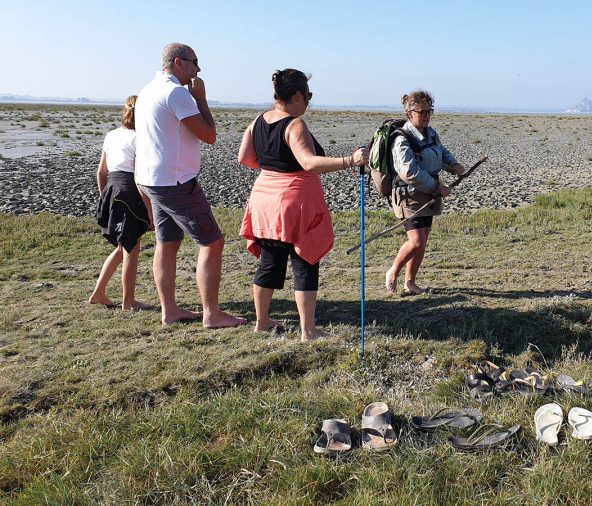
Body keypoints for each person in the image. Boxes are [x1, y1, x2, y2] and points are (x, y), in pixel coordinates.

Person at [238, 69, 367, 340]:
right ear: (297, 95)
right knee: (305, 260)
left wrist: (273, 171)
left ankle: (262, 321)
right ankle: (308, 330)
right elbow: (308, 162)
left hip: (263, 200)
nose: (308, 101)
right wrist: (349, 161)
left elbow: (245, 158)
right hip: (294, 203)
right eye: (308, 96)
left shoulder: (257, 121)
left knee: (270, 262)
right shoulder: (294, 124)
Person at [134, 42, 245, 328]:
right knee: (212, 242)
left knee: (167, 242)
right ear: (179, 62)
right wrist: (201, 99)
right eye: (195, 62)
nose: (199, 68)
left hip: (152, 180)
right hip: (176, 181)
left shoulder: (147, 91)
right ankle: (212, 313)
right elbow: (209, 135)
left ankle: (169, 311)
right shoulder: (177, 94)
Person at [384, 90, 466, 295]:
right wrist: (437, 187)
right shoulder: (402, 138)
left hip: (429, 194)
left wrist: (453, 164)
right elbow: (409, 171)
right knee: (416, 241)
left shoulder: (431, 132)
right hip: (408, 195)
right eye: (422, 112)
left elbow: (440, 151)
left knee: (423, 240)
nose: (427, 115)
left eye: (430, 111)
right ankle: (393, 271)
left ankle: (410, 282)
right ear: (410, 113)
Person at [89, 95, 153, 311]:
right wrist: (149, 209)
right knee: (131, 247)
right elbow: (138, 177)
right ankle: (129, 301)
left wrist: (103, 197)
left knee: (122, 246)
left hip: (111, 189)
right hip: (129, 191)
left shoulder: (112, 135)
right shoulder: (140, 138)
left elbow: (101, 172)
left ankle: (99, 293)